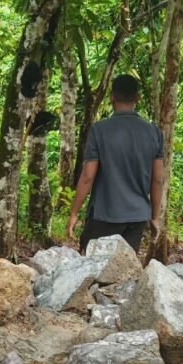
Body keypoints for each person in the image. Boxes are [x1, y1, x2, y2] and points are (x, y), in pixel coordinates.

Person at [66, 74, 164, 254]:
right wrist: (155, 217)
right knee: (124, 272)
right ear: (138, 98)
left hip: (105, 213)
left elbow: (88, 177)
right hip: (136, 217)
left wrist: (74, 213)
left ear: (112, 97)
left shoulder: (99, 130)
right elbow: (158, 180)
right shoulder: (153, 133)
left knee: (89, 270)